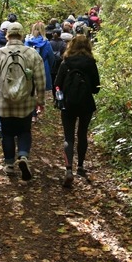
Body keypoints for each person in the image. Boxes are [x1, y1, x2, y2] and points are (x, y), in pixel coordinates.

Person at [0, 22, 46, 180]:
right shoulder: (32, 54)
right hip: (26, 102)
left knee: (7, 133)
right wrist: (41, 101)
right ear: (21, 35)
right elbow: (40, 80)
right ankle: (24, 156)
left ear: (7, 35)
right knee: (24, 131)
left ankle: (10, 165)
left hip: (4, 103)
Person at [53, 34, 100, 188]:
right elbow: (96, 88)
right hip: (86, 104)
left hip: (68, 103)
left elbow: (57, 84)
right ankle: (80, 166)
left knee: (68, 136)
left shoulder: (66, 62)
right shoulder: (91, 63)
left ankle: (68, 170)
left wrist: (59, 99)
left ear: (71, 46)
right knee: (82, 134)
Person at [25, 21, 55, 121]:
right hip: (42, 68)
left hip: (28, 68)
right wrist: (49, 68)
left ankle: (30, 112)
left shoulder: (27, 41)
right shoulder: (46, 43)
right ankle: (36, 113)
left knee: (30, 90)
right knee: (39, 91)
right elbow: (51, 58)